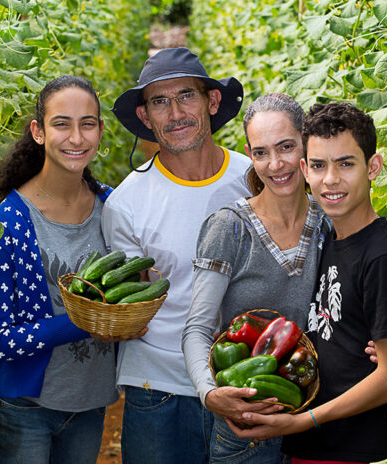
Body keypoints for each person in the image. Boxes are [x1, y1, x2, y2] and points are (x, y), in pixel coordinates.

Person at [227, 102, 387, 464]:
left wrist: (304, 421)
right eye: (318, 165)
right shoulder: (328, 238)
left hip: (359, 447)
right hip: (317, 445)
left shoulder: (381, 254)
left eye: (346, 164)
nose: (330, 179)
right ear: (304, 170)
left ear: (373, 167)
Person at [102, 47, 252, 463]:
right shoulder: (127, 202)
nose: (175, 113)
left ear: (212, 101)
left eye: (186, 95)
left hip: (244, 375)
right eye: (160, 102)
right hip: (158, 384)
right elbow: (135, 302)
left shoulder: (254, 179)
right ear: (146, 117)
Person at [0, 76, 118, 464]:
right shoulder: (11, 220)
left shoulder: (112, 208)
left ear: (100, 131)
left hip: (90, 402)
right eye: (62, 124)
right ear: (38, 132)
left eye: (87, 123)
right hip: (23, 407)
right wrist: (84, 321)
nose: (76, 137)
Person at [182, 93, 332, 463]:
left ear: (306, 143)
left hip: (319, 420)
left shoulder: (331, 220)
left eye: (286, 147)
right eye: (261, 152)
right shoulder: (230, 228)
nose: (276, 164)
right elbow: (198, 328)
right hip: (247, 429)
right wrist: (209, 393)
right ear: (249, 153)